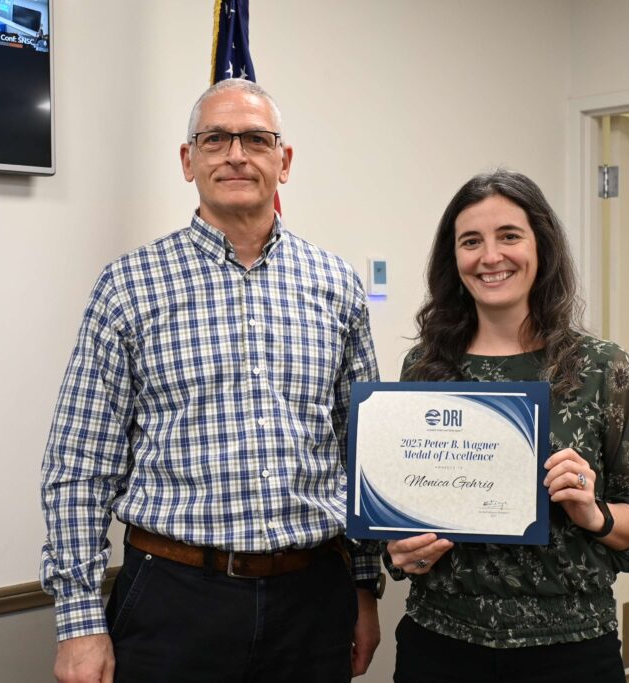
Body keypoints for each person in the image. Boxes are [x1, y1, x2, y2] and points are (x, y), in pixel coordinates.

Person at [40, 78, 382, 683]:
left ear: (285, 160)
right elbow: (80, 463)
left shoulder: (336, 283)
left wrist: (363, 588)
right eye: (215, 138)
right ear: (187, 159)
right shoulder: (129, 286)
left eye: (256, 138)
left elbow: (361, 451)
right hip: (174, 599)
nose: (236, 154)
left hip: (313, 599)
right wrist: (79, 620)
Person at [385, 169, 629, 682]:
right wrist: (401, 551)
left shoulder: (603, 369)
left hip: (570, 649)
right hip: (442, 644)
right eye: (471, 241)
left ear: (542, 248)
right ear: (454, 260)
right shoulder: (424, 369)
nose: (490, 257)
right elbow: (396, 519)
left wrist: (594, 513)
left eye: (509, 236)